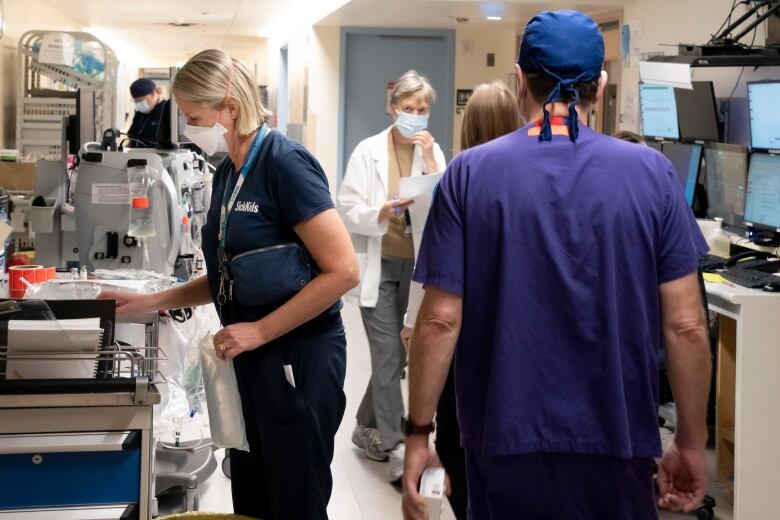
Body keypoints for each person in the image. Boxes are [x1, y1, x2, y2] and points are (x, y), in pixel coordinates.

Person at [402, 10, 711, 520]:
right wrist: (692, 441)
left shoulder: (469, 175)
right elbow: (686, 325)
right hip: (618, 444)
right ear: (602, 86)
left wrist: (419, 434)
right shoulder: (652, 175)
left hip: (505, 442)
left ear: (520, 82)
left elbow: (438, 320)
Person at [101, 49, 359, 520]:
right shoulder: (227, 172)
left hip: (297, 356)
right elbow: (226, 273)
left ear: (228, 107)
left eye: (193, 115)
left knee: (294, 497)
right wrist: (149, 302)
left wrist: (259, 331)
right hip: (249, 358)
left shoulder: (286, 165)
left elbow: (343, 271)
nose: (187, 124)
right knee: (252, 493)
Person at [400, 80, 521, 520]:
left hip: (461, 343)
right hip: (516, 344)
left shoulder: (459, 179)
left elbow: (433, 277)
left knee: (460, 441)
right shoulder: (529, 182)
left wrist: (415, 321)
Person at [337, 70, 447, 483]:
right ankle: (399, 448)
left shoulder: (433, 151)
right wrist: (379, 213)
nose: (416, 116)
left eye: (422, 110)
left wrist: (435, 163)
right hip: (378, 265)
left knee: (400, 356)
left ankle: (365, 427)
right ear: (393, 107)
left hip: (418, 271)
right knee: (387, 354)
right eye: (408, 108)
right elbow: (346, 206)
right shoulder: (368, 151)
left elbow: (446, 207)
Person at [127, 78, 172, 148]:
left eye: (141, 100)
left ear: (153, 94)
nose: (138, 104)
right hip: (135, 156)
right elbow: (131, 140)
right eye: (136, 101)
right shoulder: (139, 115)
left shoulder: (167, 111)